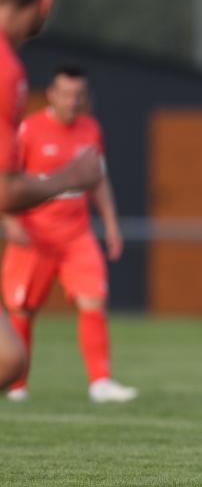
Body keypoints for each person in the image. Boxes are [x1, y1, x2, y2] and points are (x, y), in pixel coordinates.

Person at [0, 0, 103, 391]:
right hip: (38, 238)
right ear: (47, 0)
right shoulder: (7, 70)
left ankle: (102, 380)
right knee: (8, 358)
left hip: (68, 237)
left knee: (8, 358)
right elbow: (4, 191)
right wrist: (71, 177)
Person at [2, 66, 136, 402]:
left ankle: (100, 382)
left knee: (94, 300)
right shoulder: (28, 130)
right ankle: (18, 386)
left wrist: (111, 223)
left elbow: (98, 179)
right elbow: (6, 179)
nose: (73, 101)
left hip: (77, 235)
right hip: (33, 236)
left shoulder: (91, 129)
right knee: (21, 309)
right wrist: (9, 220)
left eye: (80, 94)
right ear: (51, 94)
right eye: (66, 93)